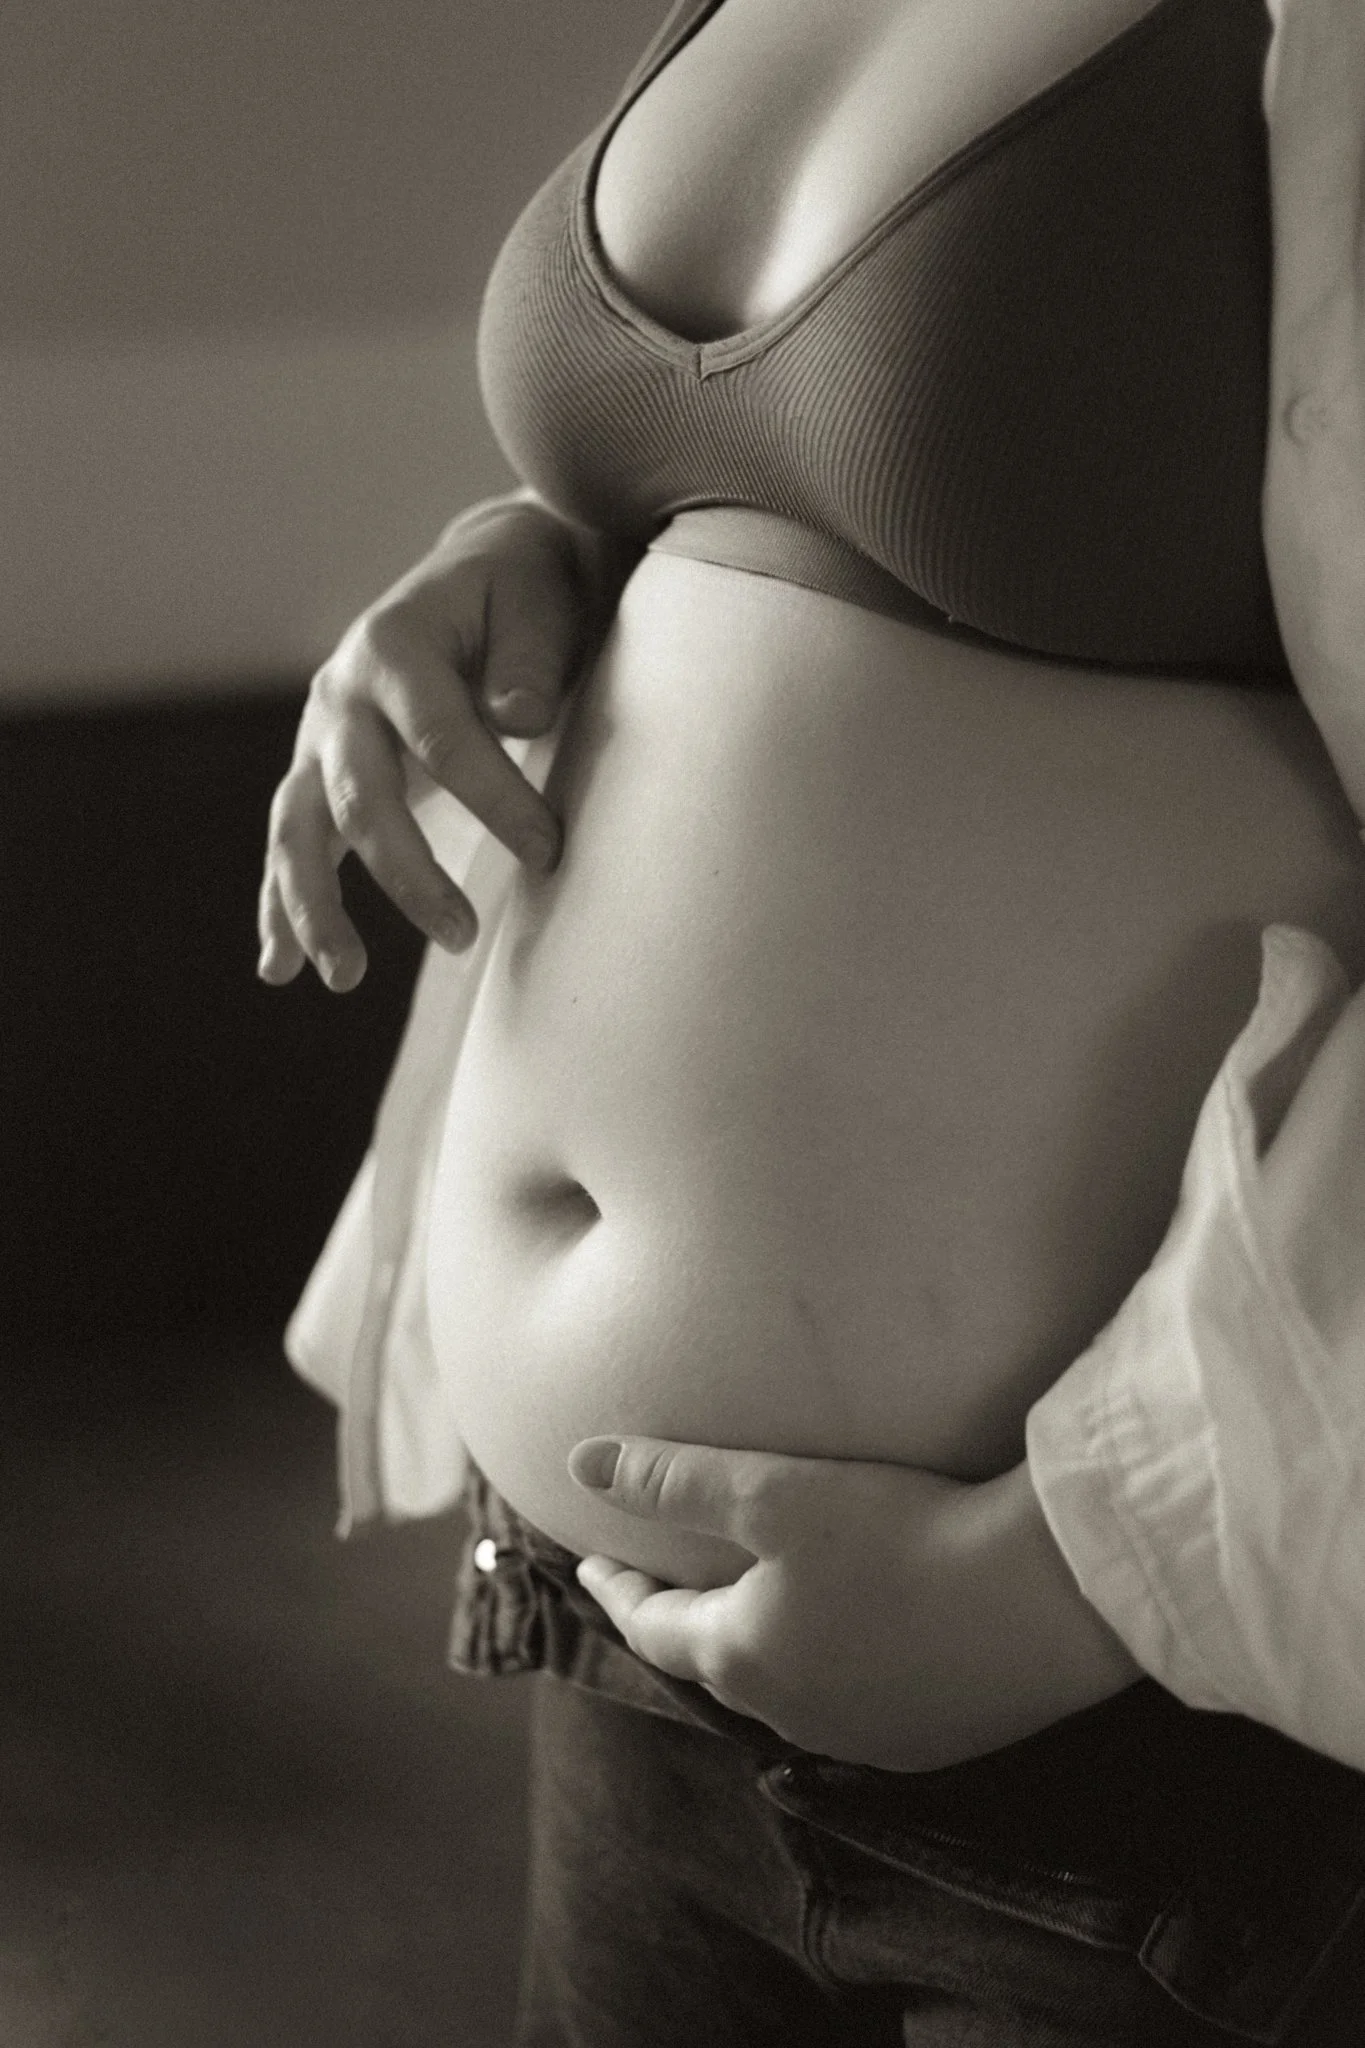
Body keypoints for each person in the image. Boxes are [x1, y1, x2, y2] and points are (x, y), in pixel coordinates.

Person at [264, 0, 1365, 2038]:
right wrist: (507, 555)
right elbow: (810, 487)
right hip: (612, 1651)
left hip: (1119, 1742)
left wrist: (1054, 1579)